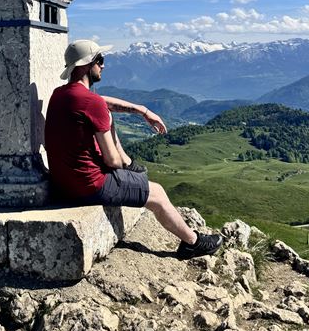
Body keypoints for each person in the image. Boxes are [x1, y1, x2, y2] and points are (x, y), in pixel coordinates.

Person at [45, 39, 223, 259]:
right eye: (100, 60)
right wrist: (114, 135)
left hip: (64, 183)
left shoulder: (60, 95)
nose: (103, 65)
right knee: (157, 192)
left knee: (138, 174)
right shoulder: (91, 103)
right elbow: (113, 162)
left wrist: (142, 110)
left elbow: (98, 101)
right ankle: (193, 243)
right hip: (89, 185)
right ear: (85, 65)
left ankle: (138, 177)